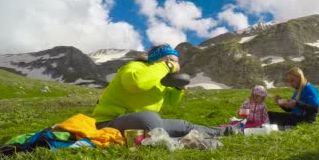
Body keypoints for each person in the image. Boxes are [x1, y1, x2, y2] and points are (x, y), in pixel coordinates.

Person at [92, 44, 238, 137]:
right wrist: (166, 67)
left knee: (183, 125)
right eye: (169, 60)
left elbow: (171, 102)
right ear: (157, 59)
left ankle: (228, 131)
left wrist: (177, 88)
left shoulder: (161, 79)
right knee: (150, 118)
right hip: (109, 122)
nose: (174, 65)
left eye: (175, 61)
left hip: (145, 125)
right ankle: (173, 142)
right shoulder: (135, 67)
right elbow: (136, 84)